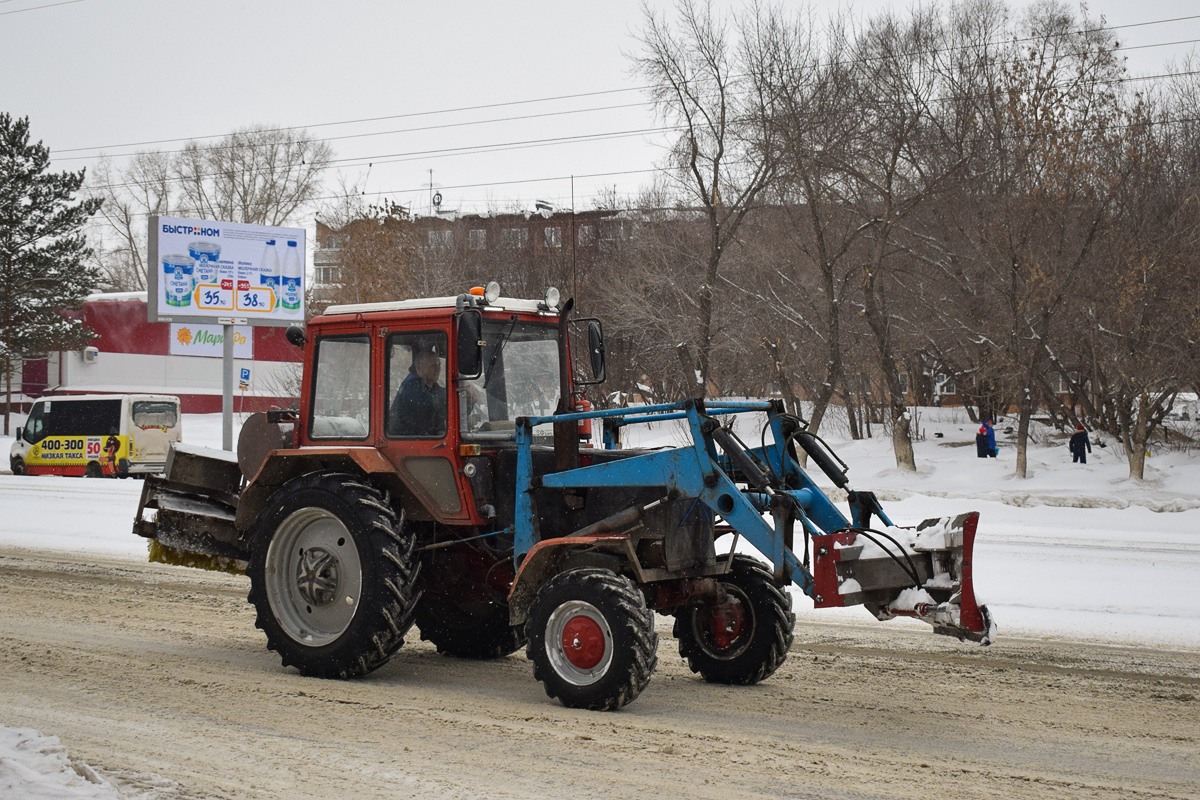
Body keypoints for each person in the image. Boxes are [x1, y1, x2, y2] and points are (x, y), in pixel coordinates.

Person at [389, 344, 447, 437]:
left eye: (438, 365)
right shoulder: (411, 387)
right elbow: (430, 404)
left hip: (426, 437)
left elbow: (442, 396)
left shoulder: (432, 386)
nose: (438, 369)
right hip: (407, 439)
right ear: (419, 369)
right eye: (433, 366)